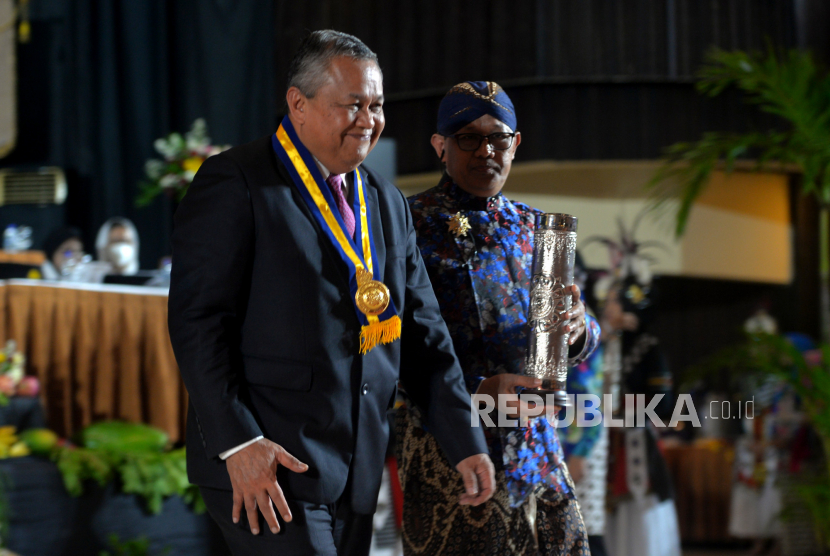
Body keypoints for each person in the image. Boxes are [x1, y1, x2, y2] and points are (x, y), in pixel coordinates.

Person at [168, 31, 494, 556]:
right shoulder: (236, 181)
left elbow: (425, 337)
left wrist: (464, 443)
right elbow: (197, 322)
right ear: (298, 104)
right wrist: (239, 442)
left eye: (377, 105)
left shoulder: (386, 203)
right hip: (269, 466)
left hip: (354, 472)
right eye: (353, 104)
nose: (369, 119)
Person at [397, 81, 600, 555]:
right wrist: (475, 391)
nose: (486, 149)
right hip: (449, 449)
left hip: (537, 451)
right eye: (468, 137)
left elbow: (580, 340)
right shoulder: (407, 225)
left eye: (499, 137)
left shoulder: (538, 228)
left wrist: (577, 330)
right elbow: (387, 348)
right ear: (440, 146)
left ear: (516, 144)